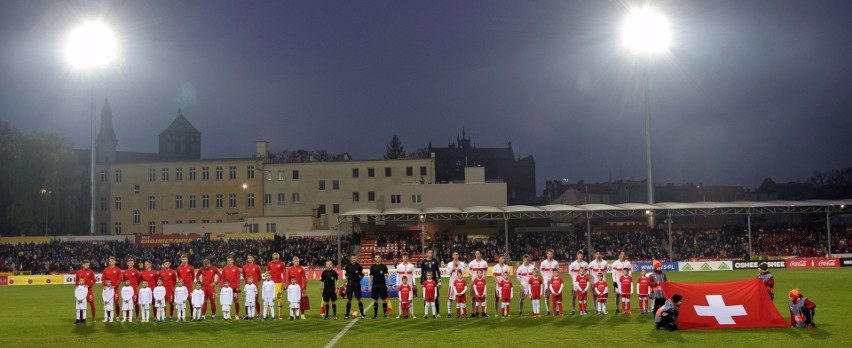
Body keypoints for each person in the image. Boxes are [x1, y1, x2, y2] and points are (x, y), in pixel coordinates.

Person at [420, 249, 442, 316]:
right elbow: (422, 272)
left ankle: (437, 313)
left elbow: (438, 271)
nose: (430, 254)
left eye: (431, 253)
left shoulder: (435, 260)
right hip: (426, 282)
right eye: (429, 253)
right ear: (426, 253)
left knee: (436, 297)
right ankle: (426, 313)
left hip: (434, 281)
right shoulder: (424, 261)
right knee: (425, 297)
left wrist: (439, 280)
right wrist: (422, 282)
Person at [343, 255, 365, 319]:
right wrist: (348, 281)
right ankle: (347, 314)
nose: (354, 259)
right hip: (350, 284)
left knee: (359, 299)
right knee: (349, 299)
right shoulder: (347, 266)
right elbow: (346, 275)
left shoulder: (359, 266)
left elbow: (362, 275)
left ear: (356, 259)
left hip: (357, 284)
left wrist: (358, 280)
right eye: (352, 258)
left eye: (355, 258)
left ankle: (362, 314)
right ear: (350, 259)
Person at [368, 254, 390, 319]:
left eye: (378, 257)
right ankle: (375, 315)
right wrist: (369, 286)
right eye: (376, 257)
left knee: (384, 299)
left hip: (382, 284)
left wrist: (389, 284)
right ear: (374, 259)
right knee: (375, 300)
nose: (377, 258)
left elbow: (387, 275)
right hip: (375, 285)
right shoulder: (372, 267)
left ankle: (385, 314)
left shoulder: (384, 266)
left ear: (380, 258)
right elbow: (370, 276)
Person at [395, 252, 417, 318]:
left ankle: (412, 314)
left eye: (406, 257)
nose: (405, 258)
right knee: (400, 300)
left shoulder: (411, 266)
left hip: (409, 286)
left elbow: (413, 275)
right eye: (404, 257)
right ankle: (400, 314)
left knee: (410, 300)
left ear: (408, 257)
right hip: (401, 286)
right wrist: (397, 284)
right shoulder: (399, 266)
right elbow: (397, 276)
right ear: (402, 258)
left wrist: (414, 284)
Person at [445, 251, 466, 318]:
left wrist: (459, 265)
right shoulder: (450, 263)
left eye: (457, 254)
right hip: (452, 284)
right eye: (454, 254)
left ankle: (462, 313)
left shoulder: (462, 263)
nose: (455, 255)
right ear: (452, 256)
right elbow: (448, 273)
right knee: (450, 299)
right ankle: (449, 313)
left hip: (460, 285)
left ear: (458, 255)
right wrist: (453, 265)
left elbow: (464, 272)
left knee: (461, 299)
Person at [539, 249, 559, 316]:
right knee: (547, 296)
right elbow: (541, 272)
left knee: (555, 295)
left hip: (553, 281)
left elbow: (557, 271)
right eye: (549, 254)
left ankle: (557, 310)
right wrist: (545, 278)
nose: (550, 255)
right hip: (546, 281)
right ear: (546, 254)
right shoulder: (543, 263)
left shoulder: (555, 262)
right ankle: (548, 310)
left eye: (551, 254)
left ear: (552, 255)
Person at [568, 250, 588, 315]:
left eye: (581, 255)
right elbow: (570, 272)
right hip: (575, 283)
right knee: (574, 296)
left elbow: (588, 271)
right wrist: (574, 279)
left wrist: (584, 275)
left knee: (584, 296)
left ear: (583, 256)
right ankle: (573, 310)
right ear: (577, 255)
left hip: (583, 283)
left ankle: (584, 310)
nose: (580, 256)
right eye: (579, 255)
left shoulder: (585, 264)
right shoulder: (573, 264)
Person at [267, 252, 286, 318]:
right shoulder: (269, 264)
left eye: (277, 258)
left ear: (278, 258)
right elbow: (267, 273)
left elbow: (284, 273)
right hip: (271, 283)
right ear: (272, 258)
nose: (275, 260)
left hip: (279, 283)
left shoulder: (281, 264)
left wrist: (284, 283)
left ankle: (280, 315)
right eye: (274, 258)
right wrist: (267, 282)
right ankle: (268, 314)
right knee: (269, 297)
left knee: (279, 298)